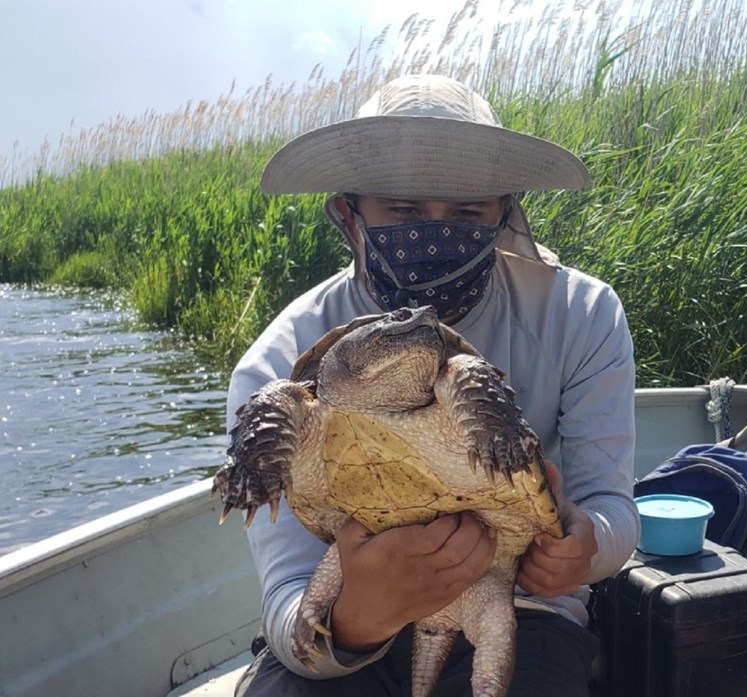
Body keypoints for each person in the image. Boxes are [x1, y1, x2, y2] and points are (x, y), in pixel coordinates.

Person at [226, 74, 638, 697]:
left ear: (505, 209)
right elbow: (289, 601)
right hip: (348, 617)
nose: (434, 231)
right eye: (405, 211)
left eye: (467, 211)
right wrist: (363, 614)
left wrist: (584, 549)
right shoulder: (279, 365)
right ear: (348, 212)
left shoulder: (579, 312)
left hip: (519, 603)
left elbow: (611, 508)